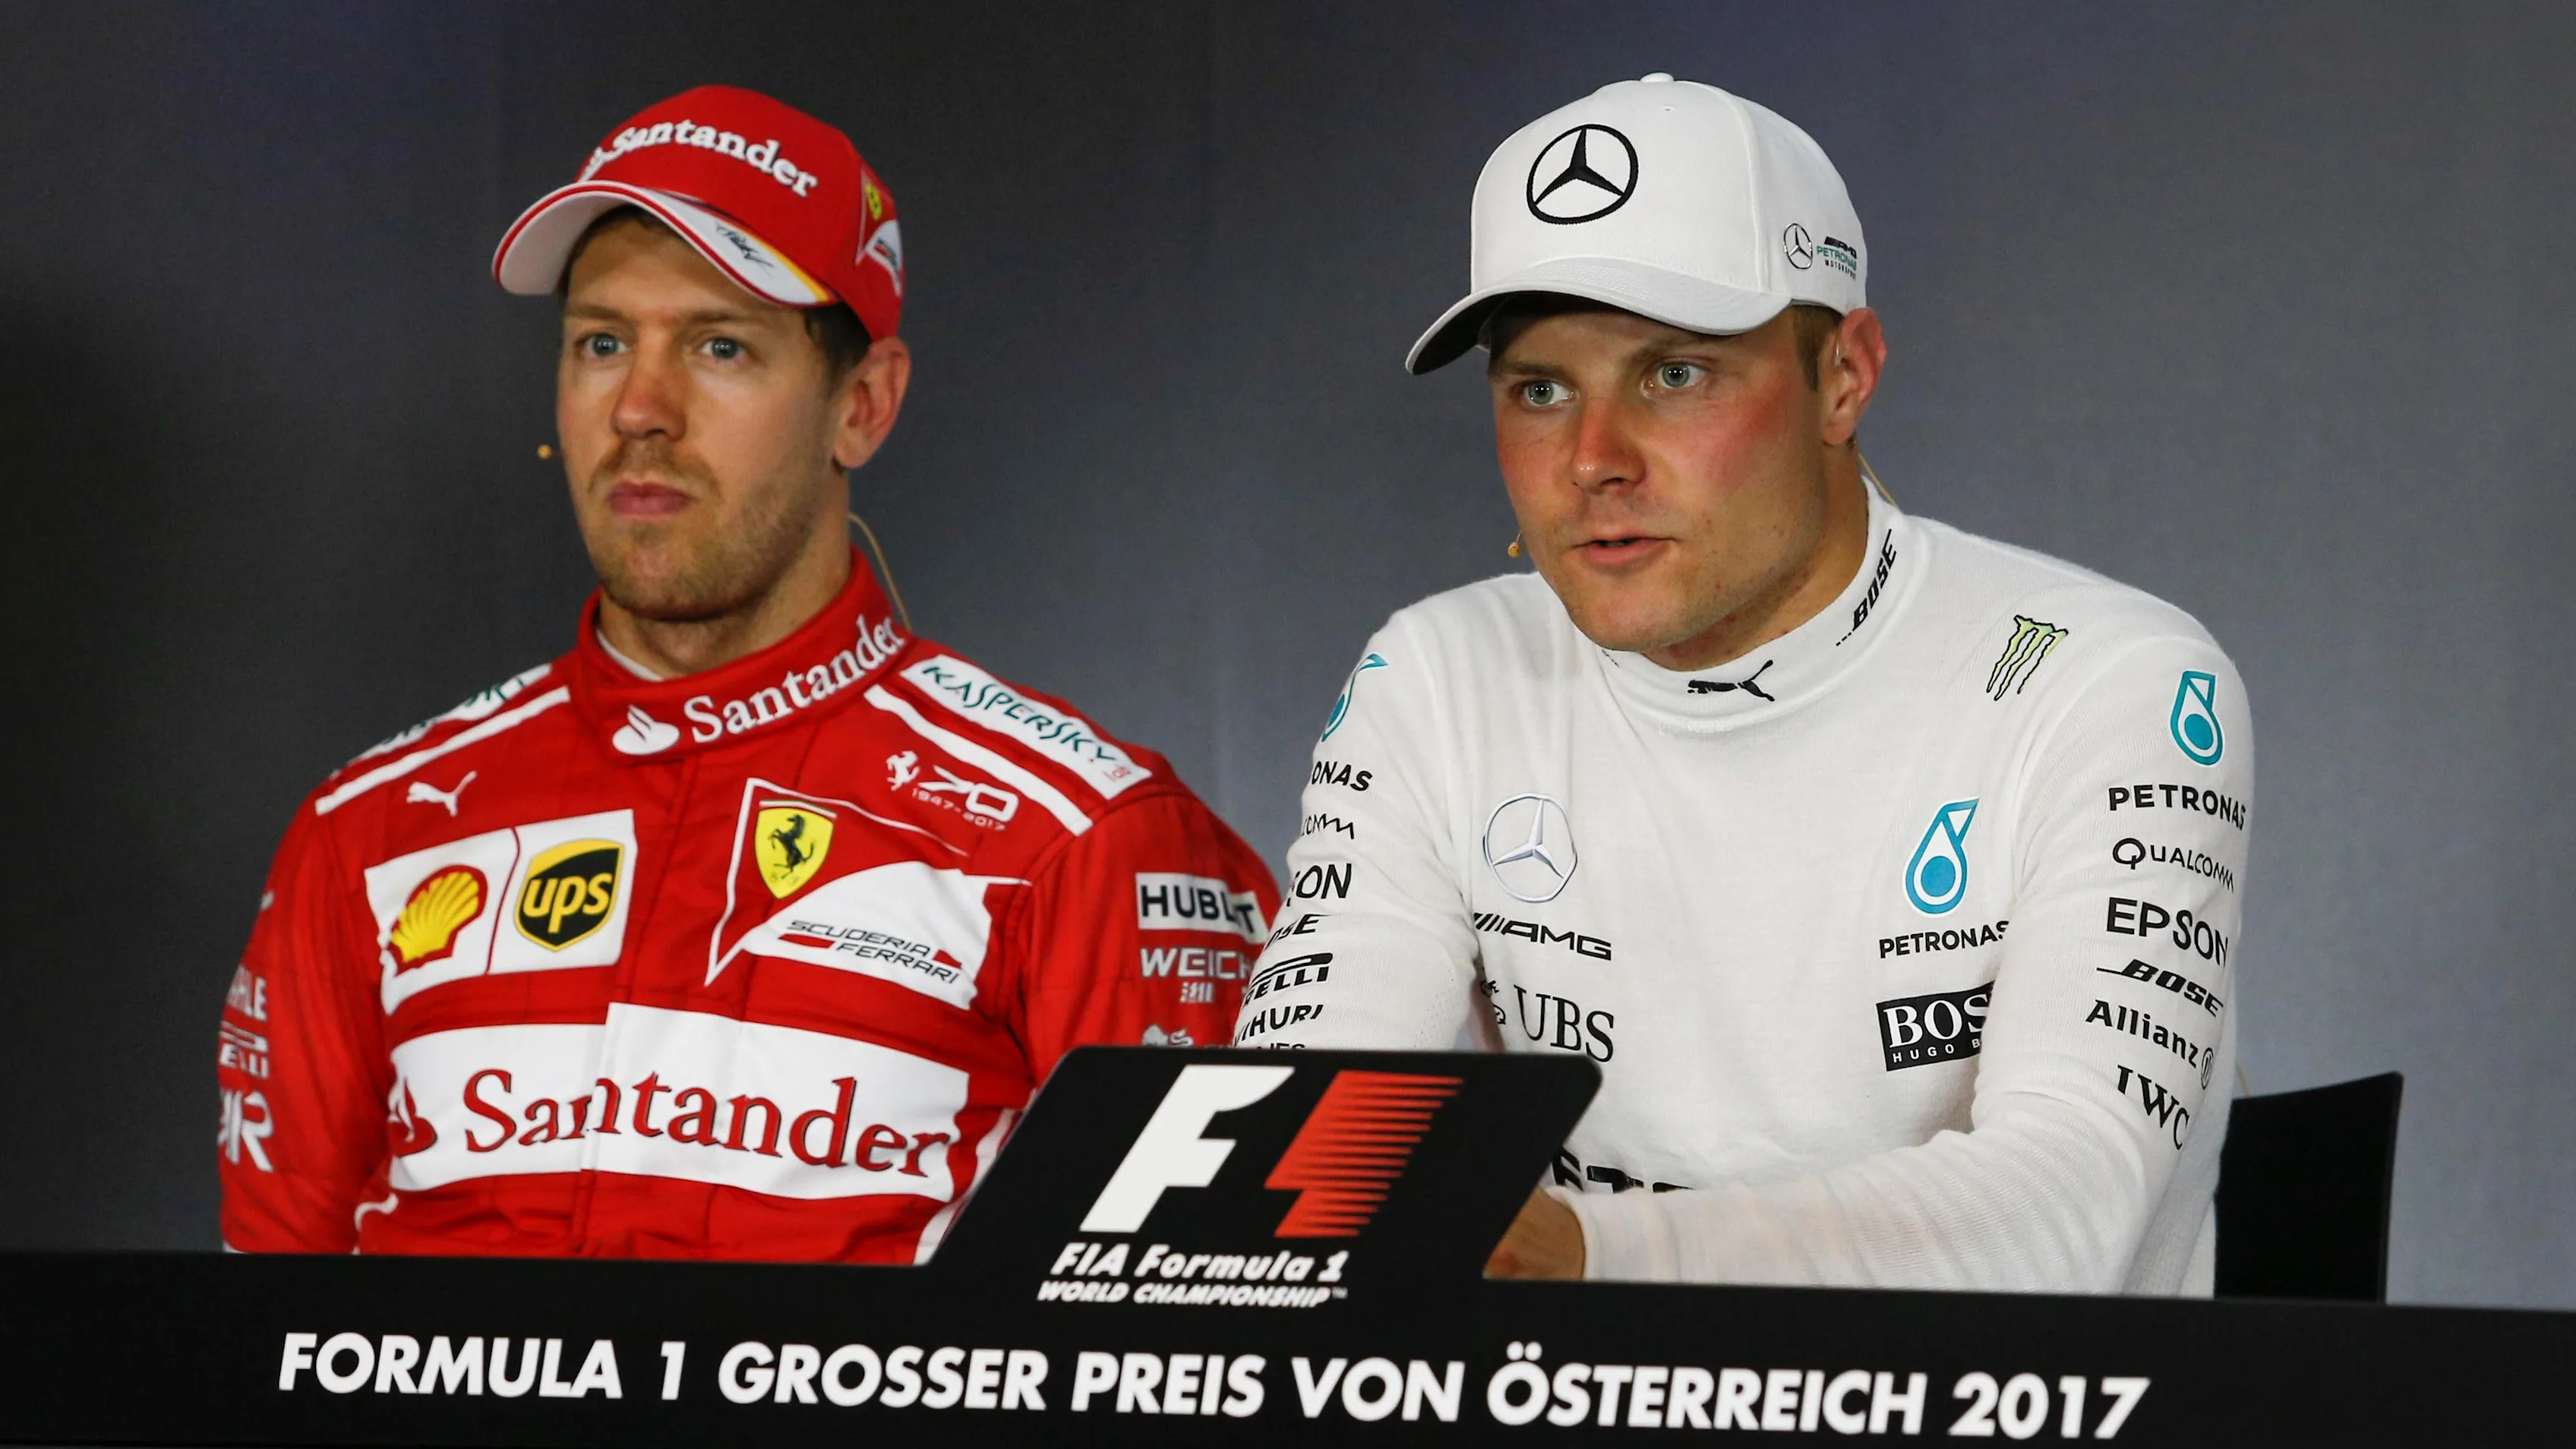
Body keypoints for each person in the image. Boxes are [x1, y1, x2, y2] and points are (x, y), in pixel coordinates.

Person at [217, 85, 1276, 1260]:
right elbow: (271, 1328)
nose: (640, 410)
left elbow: (1195, 1350)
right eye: (601, 342)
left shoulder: (1080, 839)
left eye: (720, 345)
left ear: (862, 406)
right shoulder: (367, 833)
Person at [1235, 74, 2251, 1294]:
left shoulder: (2109, 679)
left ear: (1844, 376)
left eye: (1675, 374)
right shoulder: (1439, 674)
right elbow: (1297, 1155)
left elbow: (2072, 1207)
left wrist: (1591, 1252)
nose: (1593, 461)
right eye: (1539, 389)